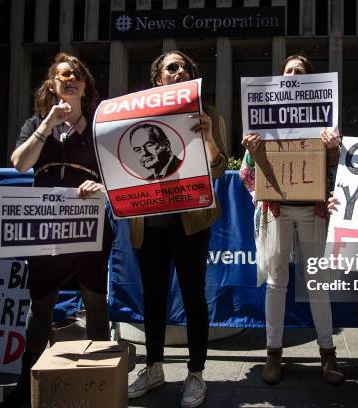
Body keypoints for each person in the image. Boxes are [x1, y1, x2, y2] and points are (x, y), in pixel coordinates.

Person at [3, 53, 113, 407]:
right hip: (47, 231)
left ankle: (100, 377)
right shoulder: (38, 121)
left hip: (89, 228)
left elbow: (118, 175)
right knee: (42, 304)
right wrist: (46, 124)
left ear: (85, 85)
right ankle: (28, 381)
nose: (72, 79)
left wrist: (102, 189)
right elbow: (20, 164)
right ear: (52, 83)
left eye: (78, 75)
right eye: (64, 75)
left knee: (95, 302)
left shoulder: (100, 127)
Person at [127, 50, 228, 408]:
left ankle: (196, 373)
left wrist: (209, 136)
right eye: (173, 67)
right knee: (153, 298)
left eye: (186, 66)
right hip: (148, 225)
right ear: (158, 80)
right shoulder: (133, 115)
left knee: (193, 297)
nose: (181, 70)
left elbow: (218, 169)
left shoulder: (208, 114)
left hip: (190, 224)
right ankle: (153, 367)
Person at [239, 55, 345, 385]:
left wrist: (332, 150)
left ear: (311, 80)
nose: (293, 75)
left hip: (312, 207)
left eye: (299, 71)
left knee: (317, 283)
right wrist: (254, 151)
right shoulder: (264, 117)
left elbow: (336, 170)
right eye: (288, 71)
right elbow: (249, 171)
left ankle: (328, 354)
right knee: (276, 282)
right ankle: (273, 353)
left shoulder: (326, 121)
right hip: (277, 208)